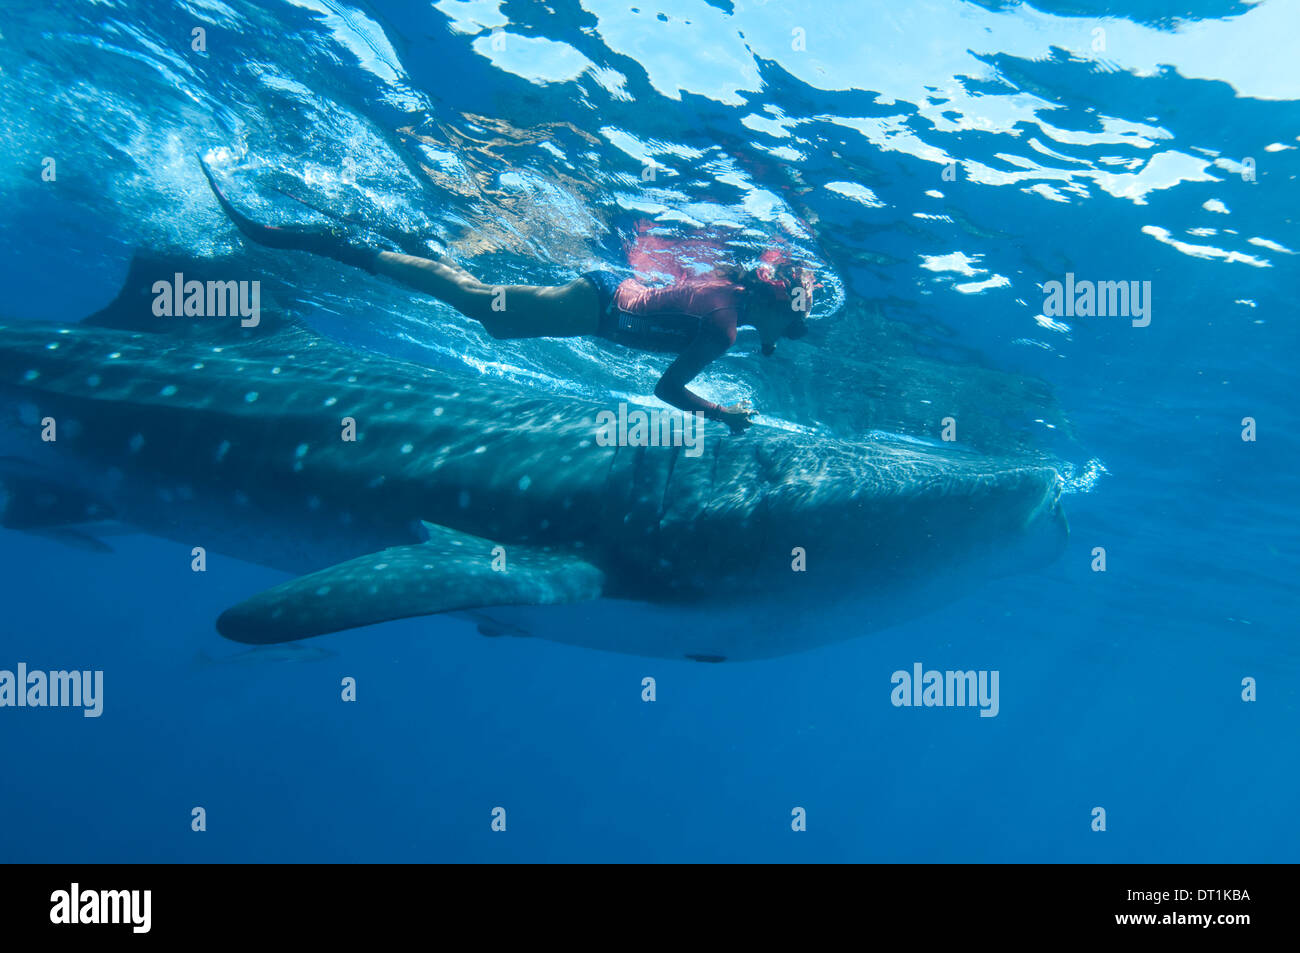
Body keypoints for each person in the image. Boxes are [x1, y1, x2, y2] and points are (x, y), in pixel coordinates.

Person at [199, 161, 814, 434]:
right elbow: (665, 390)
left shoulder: (736, 300)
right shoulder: (725, 327)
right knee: (473, 297)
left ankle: (403, 244)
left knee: (490, 321)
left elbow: (758, 308)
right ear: (772, 306)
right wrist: (723, 415)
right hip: (594, 308)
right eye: (796, 324)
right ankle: (347, 246)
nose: (793, 335)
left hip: (603, 299)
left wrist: (778, 322)